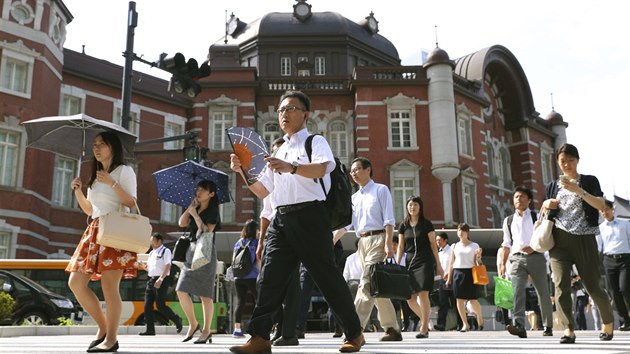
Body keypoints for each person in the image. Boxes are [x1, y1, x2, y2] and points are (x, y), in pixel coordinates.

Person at [229, 90, 363, 354]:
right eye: (280, 110)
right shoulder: (278, 150)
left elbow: (323, 168)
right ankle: (259, 337)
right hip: (281, 219)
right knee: (269, 278)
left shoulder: (315, 142)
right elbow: (263, 191)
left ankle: (354, 333)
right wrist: (242, 171)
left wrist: (290, 167)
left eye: (290, 108)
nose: (284, 114)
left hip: (311, 216)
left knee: (326, 277)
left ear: (305, 114)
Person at [66, 131, 140, 353]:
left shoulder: (124, 171)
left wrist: (113, 182)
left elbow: (131, 202)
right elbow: (90, 209)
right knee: (75, 283)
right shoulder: (96, 176)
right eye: (95, 144)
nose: (96, 148)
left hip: (116, 230)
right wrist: (79, 191)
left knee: (110, 288)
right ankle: (103, 328)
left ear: (113, 147)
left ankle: (112, 339)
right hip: (95, 230)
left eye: (102, 144)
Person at [541, 143, 614, 343]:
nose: (566, 164)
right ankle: (568, 330)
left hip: (584, 238)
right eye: (562, 161)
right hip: (559, 241)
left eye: (570, 160)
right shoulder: (552, 186)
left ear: (578, 160)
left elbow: (600, 205)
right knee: (560, 285)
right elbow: (546, 214)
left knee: (592, 286)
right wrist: (546, 203)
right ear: (557, 162)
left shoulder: (589, 181)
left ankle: (607, 323)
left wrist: (577, 189)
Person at [333, 157, 403, 342]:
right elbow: (347, 225)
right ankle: (393, 329)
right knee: (377, 287)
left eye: (357, 169)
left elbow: (389, 220)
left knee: (365, 285)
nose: (353, 173)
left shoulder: (381, 190)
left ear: (368, 170)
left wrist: (388, 243)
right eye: (352, 171)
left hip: (378, 240)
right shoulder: (354, 198)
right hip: (362, 243)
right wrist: (332, 239)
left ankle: (354, 330)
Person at [499, 186, 554, 338]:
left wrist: (535, 248)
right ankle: (519, 326)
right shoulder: (508, 220)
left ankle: (548, 326)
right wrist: (503, 264)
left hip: (537, 257)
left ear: (529, 200)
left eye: (522, 196)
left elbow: (545, 238)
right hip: (516, 259)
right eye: (516, 197)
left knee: (542, 292)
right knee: (517, 292)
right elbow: (506, 243)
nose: (518, 199)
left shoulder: (538, 216)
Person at [176, 179, 221, 344]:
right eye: (198, 189)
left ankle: (207, 330)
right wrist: (190, 209)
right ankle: (193, 323)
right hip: (191, 251)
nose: (199, 191)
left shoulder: (213, 211)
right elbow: (181, 223)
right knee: (181, 289)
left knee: (205, 295)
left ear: (211, 194)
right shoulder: (194, 208)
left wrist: (195, 215)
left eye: (203, 190)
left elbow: (206, 231)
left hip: (205, 251)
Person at [396, 195, 443, 338]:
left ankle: (423, 328)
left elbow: (433, 245)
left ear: (420, 207)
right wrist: (397, 264)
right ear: (407, 207)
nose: (412, 207)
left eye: (415, 204)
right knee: (410, 298)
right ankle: (425, 320)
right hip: (410, 262)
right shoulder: (403, 225)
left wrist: (439, 265)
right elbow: (401, 246)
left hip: (425, 261)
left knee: (423, 293)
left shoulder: (427, 224)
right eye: (410, 205)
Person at [139, 232, 183, 336]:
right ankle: (150, 330)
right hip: (150, 280)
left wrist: (161, 279)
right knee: (147, 306)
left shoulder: (165, 251)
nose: (152, 243)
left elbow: (168, 265)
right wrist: (143, 266)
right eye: (151, 241)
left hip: (162, 280)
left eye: (153, 241)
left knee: (160, 305)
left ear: (159, 241)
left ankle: (177, 319)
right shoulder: (151, 253)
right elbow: (150, 269)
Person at [445, 223, 484, 332]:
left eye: (463, 230)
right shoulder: (455, 246)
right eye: (459, 230)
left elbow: (478, 262)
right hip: (458, 273)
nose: (461, 232)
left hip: (471, 272)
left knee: (473, 300)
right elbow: (451, 263)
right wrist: (449, 278)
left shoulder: (475, 245)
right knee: (459, 299)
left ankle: (479, 317)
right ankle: (465, 324)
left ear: (467, 232)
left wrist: (479, 256)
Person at [598, 199, 630, 331]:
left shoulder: (625, 224)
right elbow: (599, 248)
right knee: (614, 292)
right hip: (609, 260)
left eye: (607, 209)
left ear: (613, 209)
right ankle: (625, 320)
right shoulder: (600, 228)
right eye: (602, 210)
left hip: (625, 259)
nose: (604, 212)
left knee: (624, 289)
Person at [232, 219, 260, 338]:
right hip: (252, 276)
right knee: (259, 301)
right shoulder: (256, 242)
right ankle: (257, 327)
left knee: (240, 302)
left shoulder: (238, 242)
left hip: (239, 276)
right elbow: (258, 259)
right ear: (255, 230)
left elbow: (233, 258)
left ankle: (237, 329)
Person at [434, 232, 460, 331]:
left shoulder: (451, 250)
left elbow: (453, 264)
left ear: (446, 240)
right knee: (442, 303)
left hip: (453, 279)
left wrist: (448, 275)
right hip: (442, 280)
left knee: (455, 302)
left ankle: (460, 323)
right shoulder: (439, 253)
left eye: (439, 240)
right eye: (436, 240)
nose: (438, 242)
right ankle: (441, 324)